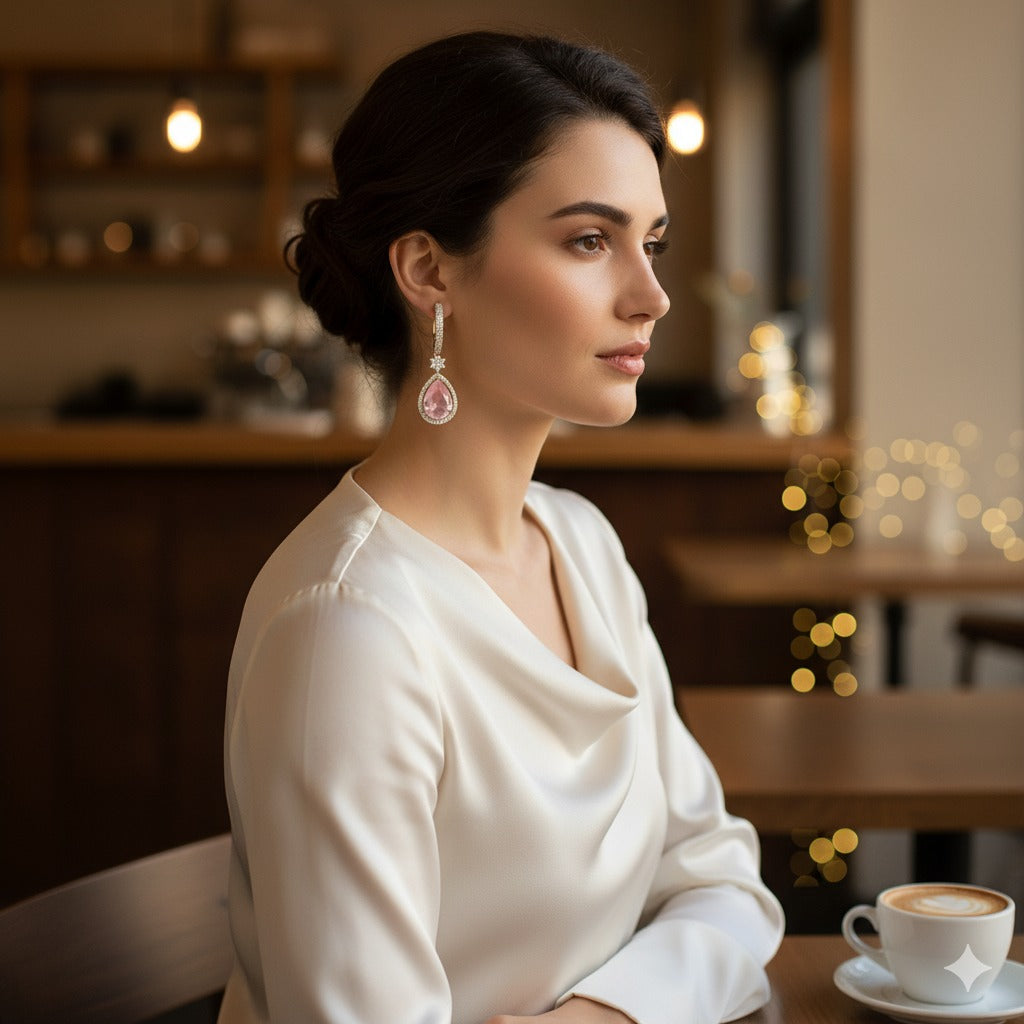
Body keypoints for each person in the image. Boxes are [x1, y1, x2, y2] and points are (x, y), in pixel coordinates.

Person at [218, 30, 784, 1024]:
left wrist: (598, 1017)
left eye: (649, 241)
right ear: (428, 270)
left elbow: (725, 886)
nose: (648, 296)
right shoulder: (347, 629)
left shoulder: (583, 546)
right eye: (587, 240)